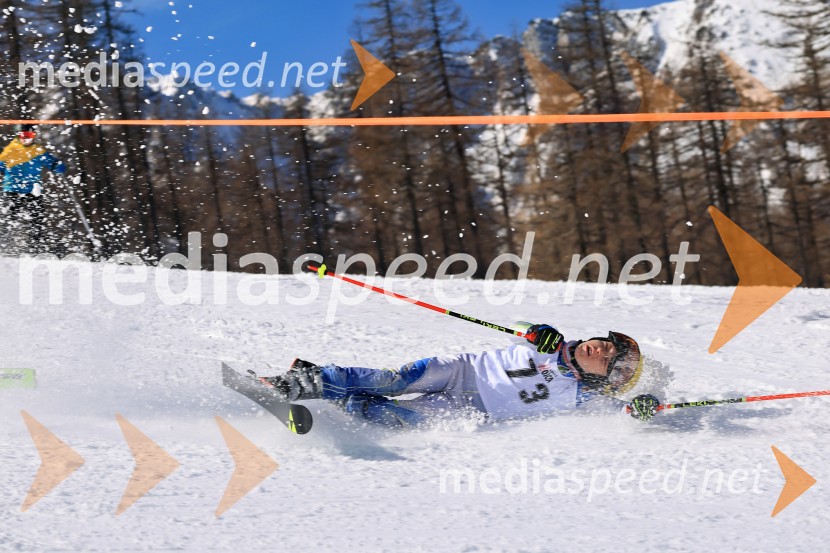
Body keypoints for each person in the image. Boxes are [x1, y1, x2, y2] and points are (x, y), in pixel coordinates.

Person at [260, 324, 661, 428]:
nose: (597, 348)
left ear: (601, 379)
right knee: (392, 382)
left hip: (470, 408)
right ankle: (294, 384)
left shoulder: (582, 397)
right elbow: (525, 327)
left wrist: (641, 408)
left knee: (398, 419)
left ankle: (332, 390)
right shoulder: (551, 341)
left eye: (606, 356)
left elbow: (618, 412)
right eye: (603, 342)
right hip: (460, 371)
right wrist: (537, 332)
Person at [0, 124, 67, 251]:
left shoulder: (38, 151)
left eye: (29, 136)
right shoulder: (10, 150)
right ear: (18, 136)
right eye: (23, 135)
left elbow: (50, 161)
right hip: (12, 189)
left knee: (37, 219)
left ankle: (36, 247)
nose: (26, 139)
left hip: (32, 190)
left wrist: (56, 165)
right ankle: (4, 243)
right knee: (9, 218)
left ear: (33, 136)